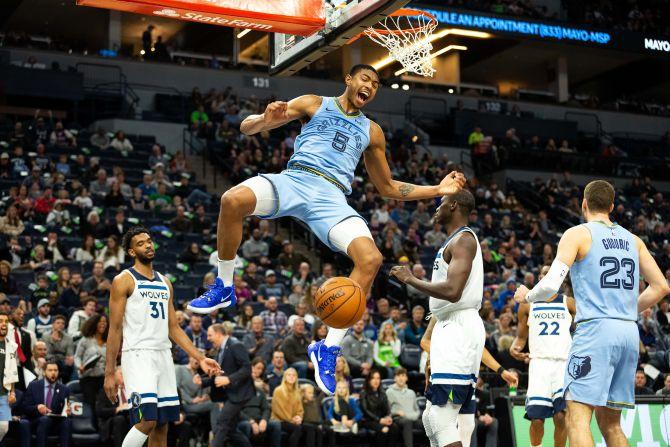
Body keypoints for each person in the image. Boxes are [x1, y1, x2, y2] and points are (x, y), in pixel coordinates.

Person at [185, 64, 466, 396]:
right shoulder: (313, 103)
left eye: (376, 84)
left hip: (331, 197)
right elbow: (247, 128)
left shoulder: (372, 131)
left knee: (371, 259)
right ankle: (225, 284)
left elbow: (388, 187)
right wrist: (265, 118)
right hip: (295, 179)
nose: (371, 87)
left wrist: (437, 189)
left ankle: (328, 347)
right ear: (348, 78)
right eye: (366, 79)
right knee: (232, 200)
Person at [514, 180, 670, 447]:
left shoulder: (577, 234)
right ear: (611, 207)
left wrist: (526, 296)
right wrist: (624, 310)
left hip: (596, 331)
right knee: (611, 425)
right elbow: (662, 287)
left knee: (577, 417)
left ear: (583, 204)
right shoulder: (634, 241)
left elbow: (551, 283)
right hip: (628, 333)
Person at [103, 227, 220, 447]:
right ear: (131, 252)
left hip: (163, 355)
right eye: (140, 243)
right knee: (147, 420)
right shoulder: (123, 280)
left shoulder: (165, 282)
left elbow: (173, 328)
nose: (148, 245)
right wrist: (109, 372)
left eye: (149, 241)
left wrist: (201, 358)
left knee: (162, 424)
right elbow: (115, 329)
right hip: (138, 356)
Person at [390, 190, 484, 447]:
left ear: (453, 205)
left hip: (459, 326)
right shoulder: (453, 241)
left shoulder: (464, 240)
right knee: (432, 417)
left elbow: (453, 291)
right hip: (448, 326)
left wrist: (411, 279)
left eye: (440, 203)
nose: (436, 208)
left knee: (442, 418)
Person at [420, 315, 519, 447]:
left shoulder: (472, 317)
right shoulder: (440, 312)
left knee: (467, 425)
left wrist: (501, 371)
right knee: (438, 422)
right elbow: (424, 341)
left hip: (466, 377)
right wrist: (447, 356)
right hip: (445, 375)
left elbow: (479, 349)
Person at [510, 265, 576, 447]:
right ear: (539, 277)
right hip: (539, 365)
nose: (549, 275)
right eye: (545, 272)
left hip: (563, 364)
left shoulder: (569, 303)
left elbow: (581, 333)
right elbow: (521, 337)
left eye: (552, 273)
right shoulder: (527, 304)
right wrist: (514, 349)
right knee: (537, 420)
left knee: (561, 417)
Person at [202, 322, 255, 447]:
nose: (208, 338)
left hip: (240, 393)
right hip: (230, 394)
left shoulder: (235, 345)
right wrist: (202, 381)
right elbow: (220, 375)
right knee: (231, 430)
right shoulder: (221, 349)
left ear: (219, 334)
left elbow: (247, 368)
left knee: (221, 422)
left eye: (210, 335)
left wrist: (229, 379)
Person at [23, 362, 71, 447]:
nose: (53, 373)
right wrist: (37, 407)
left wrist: (68, 412)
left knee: (67, 421)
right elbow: (25, 407)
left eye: (55, 370)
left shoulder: (64, 389)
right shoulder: (33, 386)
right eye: (50, 370)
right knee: (45, 420)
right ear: (44, 372)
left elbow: (65, 410)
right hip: (37, 421)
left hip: (55, 423)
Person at [238, 358, 282, 447]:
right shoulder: (239, 391)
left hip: (259, 419)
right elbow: (237, 410)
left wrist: (264, 420)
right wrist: (251, 421)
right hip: (245, 420)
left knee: (276, 424)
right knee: (246, 426)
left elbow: (266, 408)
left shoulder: (260, 391)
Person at [73, 313, 108, 410]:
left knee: (103, 404)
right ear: (94, 323)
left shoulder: (108, 341)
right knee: (91, 404)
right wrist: (79, 366)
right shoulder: (85, 340)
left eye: (105, 322)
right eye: (100, 322)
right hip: (88, 378)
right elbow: (77, 357)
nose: (103, 324)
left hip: (103, 378)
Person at [360, 369, 399, 447]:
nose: (376, 381)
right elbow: (365, 410)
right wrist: (379, 420)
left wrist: (388, 416)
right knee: (384, 429)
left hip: (382, 419)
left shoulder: (382, 392)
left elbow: (387, 407)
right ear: (369, 380)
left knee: (394, 428)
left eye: (378, 378)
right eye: (373, 378)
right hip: (368, 420)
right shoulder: (364, 393)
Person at [95, 366, 131, 447]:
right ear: (114, 375)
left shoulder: (131, 390)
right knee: (120, 419)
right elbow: (99, 411)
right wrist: (117, 409)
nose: (125, 376)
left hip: (128, 416)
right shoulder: (106, 391)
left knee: (140, 419)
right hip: (111, 420)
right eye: (122, 374)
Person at [385, 367, 420, 447]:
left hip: (412, 418)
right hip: (398, 419)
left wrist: (411, 416)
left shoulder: (411, 392)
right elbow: (387, 411)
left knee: (427, 424)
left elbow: (417, 410)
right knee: (407, 422)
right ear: (394, 378)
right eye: (398, 375)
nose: (401, 378)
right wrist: (396, 413)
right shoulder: (389, 392)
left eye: (403, 375)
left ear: (406, 378)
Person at [270, 368, 305, 447]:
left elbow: (300, 410)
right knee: (297, 428)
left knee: (306, 427)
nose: (291, 377)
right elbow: (278, 410)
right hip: (279, 421)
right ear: (285, 377)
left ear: (296, 378)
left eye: (294, 375)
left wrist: (299, 417)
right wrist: (291, 420)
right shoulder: (278, 390)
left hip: (292, 422)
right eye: (289, 375)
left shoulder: (297, 392)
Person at [0, 311, 18, 443]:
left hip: (3, 393)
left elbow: (13, 371)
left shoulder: (11, 345)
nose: (4, 324)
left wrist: (12, 392)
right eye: (0, 321)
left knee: (4, 427)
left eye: (6, 321)